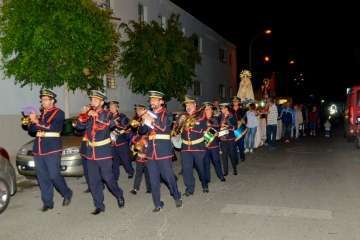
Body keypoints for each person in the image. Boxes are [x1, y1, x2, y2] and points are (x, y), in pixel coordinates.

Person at [75, 90, 125, 215]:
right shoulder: (88, 113)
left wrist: (95, 115)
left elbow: (107, 125)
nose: (93, 102)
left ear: (102, 102)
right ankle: (99, 205)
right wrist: (82, 116)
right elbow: (79, 128)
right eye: (92, 99)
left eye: (96, 100)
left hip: (104, 152)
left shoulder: (108, 114)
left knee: (108, 178)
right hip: (90, 152)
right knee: (93, 181)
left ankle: (119, 194)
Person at [27, 89, 73, 212]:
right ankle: (48, 202)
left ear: (52, 101)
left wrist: (37, 122)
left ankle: (67, 193)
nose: (43, 102)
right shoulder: (40, 114)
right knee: (42, 177)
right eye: (42, 100)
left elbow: (53, 127)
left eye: (46, 100)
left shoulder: (59, 113)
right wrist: (32, 122)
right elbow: (31, 130)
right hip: (38, 149)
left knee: (54, 175)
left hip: (52, 148)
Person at [141, 91, 182, 212]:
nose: (152, 102)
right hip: (151, 152)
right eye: (151, 100)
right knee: (153, 180)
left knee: (168, 177)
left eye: (154, 100)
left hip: (163, 151)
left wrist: (151, 120)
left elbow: (164, 127)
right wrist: (143, 121)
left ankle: (176, 196)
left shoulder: (167, 114)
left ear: (161, 102)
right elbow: (143, 131)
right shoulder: (148, 114)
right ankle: (157, 203)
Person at [180, 95, 209, 196]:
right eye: (186, 104)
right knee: (186, 169)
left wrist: (191, 124)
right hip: (185, 147)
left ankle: (204, 184)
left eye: (190, 104)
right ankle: (189, 188)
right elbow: (177, 129)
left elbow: (202, 128)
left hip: (198, 147)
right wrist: (179, 123)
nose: (188, 106)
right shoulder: (183, 116)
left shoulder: (201, 115)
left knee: (201, 168)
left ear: (195, 105)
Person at [109, 100, 134, 180]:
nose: (112, 109)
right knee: (114, 161)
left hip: (121, 142)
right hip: (112, 143)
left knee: (125, 160)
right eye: (110, 107)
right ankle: (115, 176)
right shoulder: (108, 117)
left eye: (113, 107)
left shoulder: (122, 116)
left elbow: (127, 127)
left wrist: (119, 126)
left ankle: (130, 171)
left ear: (117, 108)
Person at [129, 104, 151, 195]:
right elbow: (135, 131)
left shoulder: (148, 119)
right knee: (139, 169)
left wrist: (141, 123)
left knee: (147, 169)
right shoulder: (138, 119)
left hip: (147, 144)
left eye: (140, 110)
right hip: (139, 144)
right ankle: (135, 188)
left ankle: (150, 188)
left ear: (144, 110)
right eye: (137, 110)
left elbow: (144, 131)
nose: (138, 112)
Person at [203, 102, 226, 184]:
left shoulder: (215, 119)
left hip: (214, 145)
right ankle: (207, 178)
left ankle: (220, 175)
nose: (207, 111)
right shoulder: (202, 120)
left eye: (209, 109)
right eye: (206, 109)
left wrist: (214, 132)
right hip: (205, 145)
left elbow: (218, 131)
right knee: (206, 162)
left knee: (216, 161)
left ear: (212, 110)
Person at [219, 102, 239, 176]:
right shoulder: (220, 116)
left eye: (222, 108)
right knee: (224, 156)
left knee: (232, 155)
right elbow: (217, 125)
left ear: (226, 108)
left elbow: (235, 127)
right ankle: (225, 171)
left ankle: (234, 169)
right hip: (223, 139)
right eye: (221, 108)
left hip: (230, 139)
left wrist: (227, 126)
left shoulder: (232, 116)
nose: (221, 110)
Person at [231, 96, 246, 162]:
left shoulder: (242, 110)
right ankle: (235, 159)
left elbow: (245, 121)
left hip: (240, 129)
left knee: (241, 145)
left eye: (236, 101)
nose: (235, 102)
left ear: (239, 102)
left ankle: (242, 156)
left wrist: (242, 121)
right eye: (234, 101)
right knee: (234, 145)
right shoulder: (230, 110)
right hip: (233, 129)